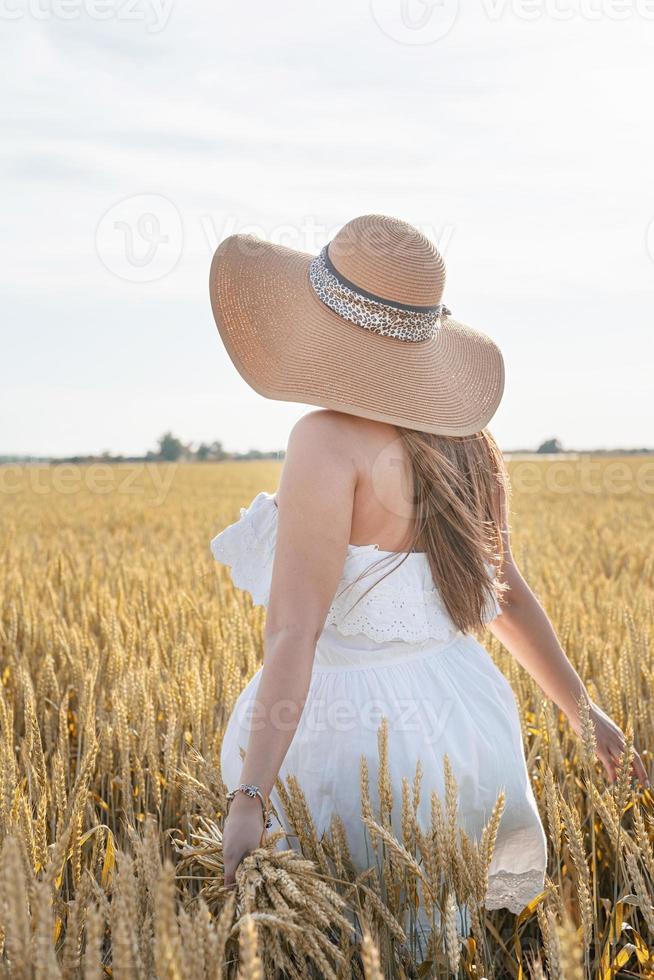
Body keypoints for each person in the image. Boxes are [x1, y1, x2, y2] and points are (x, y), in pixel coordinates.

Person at [208, 214, 648, 914]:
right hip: (463, 725)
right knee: (436, 932)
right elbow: (504, 596)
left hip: (344, 735)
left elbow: (294, 633)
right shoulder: (467, 445)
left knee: (344, 933)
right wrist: (582, 708)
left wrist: (251, 794)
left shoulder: (322, 442)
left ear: (325, 334)